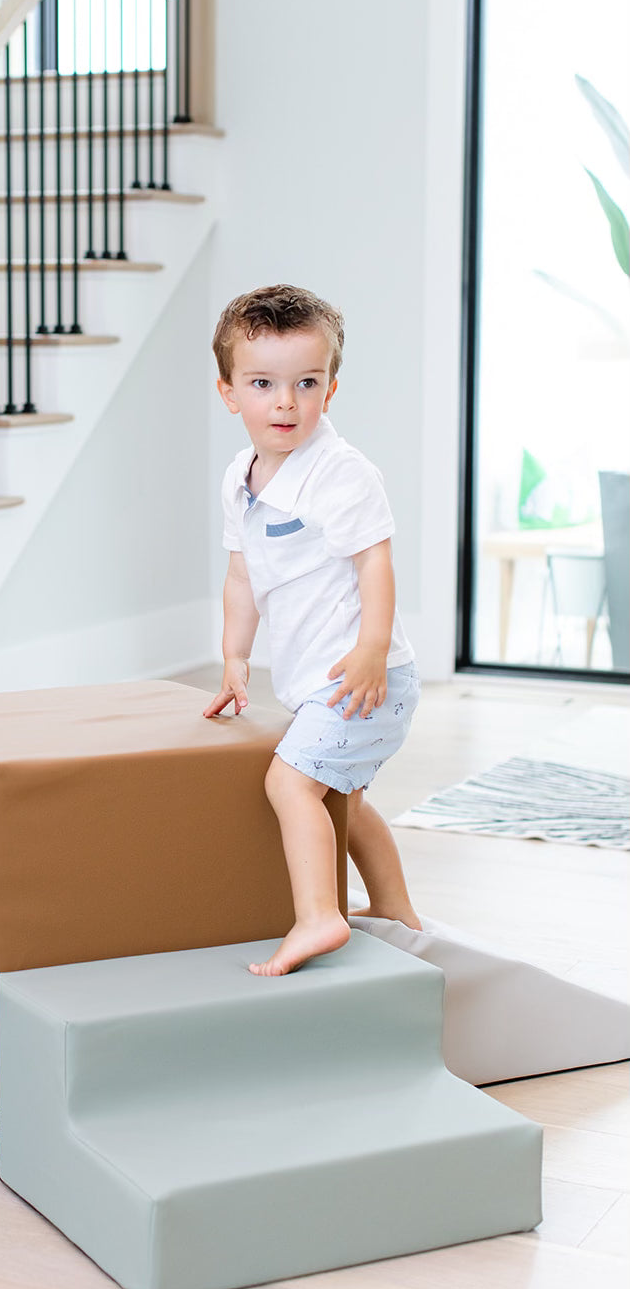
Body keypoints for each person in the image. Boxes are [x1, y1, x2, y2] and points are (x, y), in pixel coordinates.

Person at [203, 285, 421, 976]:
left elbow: (374, 563)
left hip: (362, 677)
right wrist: (235, 657)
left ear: (329, 390)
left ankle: (318, 916)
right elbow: (241, 578)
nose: (285, 402)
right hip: (318, 679)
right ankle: (393, 910)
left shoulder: (341, 473)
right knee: (343, 798)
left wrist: (371, 651)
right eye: (262, 384)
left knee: (289, 785)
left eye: (306, 383)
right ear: (229, 392)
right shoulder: (241, 478)